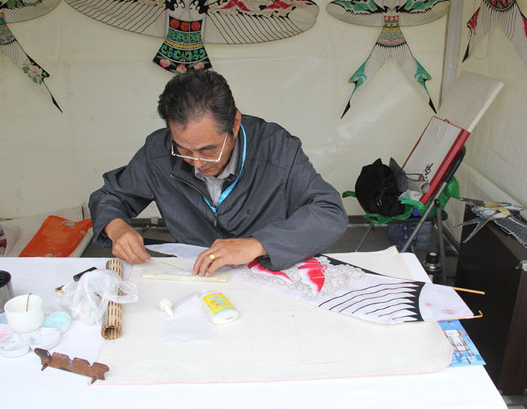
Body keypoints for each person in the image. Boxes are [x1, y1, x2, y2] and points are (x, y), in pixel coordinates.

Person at [89, 69, 348, 276]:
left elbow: (329, 212)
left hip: (266, 272)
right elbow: (111, 196)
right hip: (196, 276)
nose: (196, 162)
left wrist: (257, 244)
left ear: (235, 123)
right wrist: (117, 228)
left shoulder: (275, 148)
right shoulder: (158, 151)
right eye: (183, 149)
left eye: (208, 149)